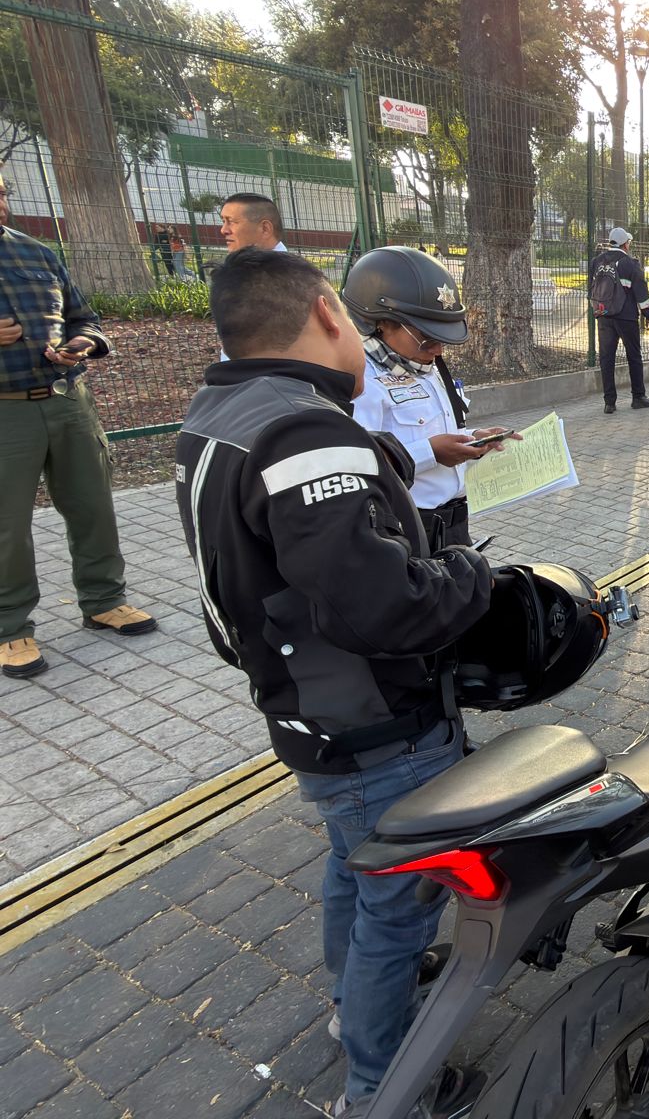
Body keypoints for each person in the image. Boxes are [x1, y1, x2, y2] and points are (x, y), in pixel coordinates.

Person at [174, 248, 492, 1117]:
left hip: (306, 713)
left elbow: (282, 551)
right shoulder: (302, 431)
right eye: (351, 321)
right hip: (373, 721)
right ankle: (382, 1084)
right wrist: (472, 576)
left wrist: (381, 455)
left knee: (353, 868)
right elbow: (384, 608)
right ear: (324, 312)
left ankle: (352, 1015)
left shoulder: (221, 412)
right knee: (399, 902)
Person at [0, 171, 157, 679]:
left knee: (93, 506)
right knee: (7, 528)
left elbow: (83, 317)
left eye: (2, 191)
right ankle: (10, 628)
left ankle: (103, 600)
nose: (0, 201)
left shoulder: (37, 253)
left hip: (68, 399)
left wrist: (85, 343)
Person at [345, 246, 516, 550]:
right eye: (428, 338)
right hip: (406, 531)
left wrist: (472, 438)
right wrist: (431, 454)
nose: (438, 350)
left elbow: (434, 432)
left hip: (454, 525)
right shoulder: (362, 382)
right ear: (380, 323)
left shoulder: (423, 364)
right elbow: (360, 468)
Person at [589, 226, 649, 414]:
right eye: (629, 242)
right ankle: (638, 397)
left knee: (606, 358)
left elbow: (592, 288)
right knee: (634, 355)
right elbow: (641, 292)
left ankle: (609, 402)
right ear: (626, 244)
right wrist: (648, 315)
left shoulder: (597, 262)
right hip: (626, 317)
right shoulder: (630, 263)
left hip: (603, 315)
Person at [219, 192, 287, 253]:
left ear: (265, 229)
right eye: (223, 221)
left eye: (231, 221)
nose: (223, 230)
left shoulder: (280, 266)